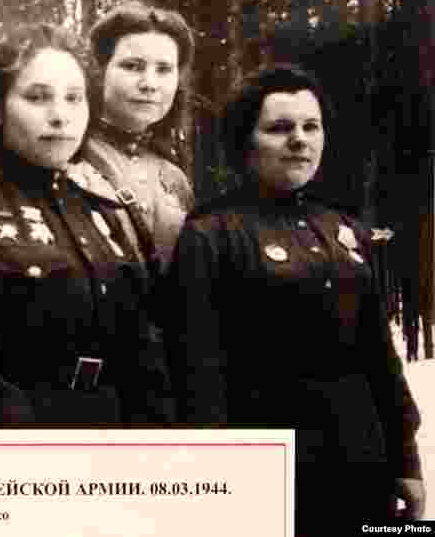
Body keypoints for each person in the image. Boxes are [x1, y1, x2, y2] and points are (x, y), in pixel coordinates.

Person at [166, 65, 425, 531]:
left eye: (311, 126)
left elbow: (379, 356)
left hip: (364, 463)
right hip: (270, 473)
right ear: (246, 141)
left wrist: (407, 461)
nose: (300, 140)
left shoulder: (343, 230)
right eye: (279, 128)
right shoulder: (212, 234)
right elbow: (199, 376)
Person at [0, 23, 166, 425]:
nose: (60, 116)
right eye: (37, 97)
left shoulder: (102, 209)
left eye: (73, 98)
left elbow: (143, 352)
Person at [82, 0, 196, 274]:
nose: (150, 84)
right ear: (100, 72)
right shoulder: (69, 158)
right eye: (133, 66)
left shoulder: (174, 178)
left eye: (164, 69)